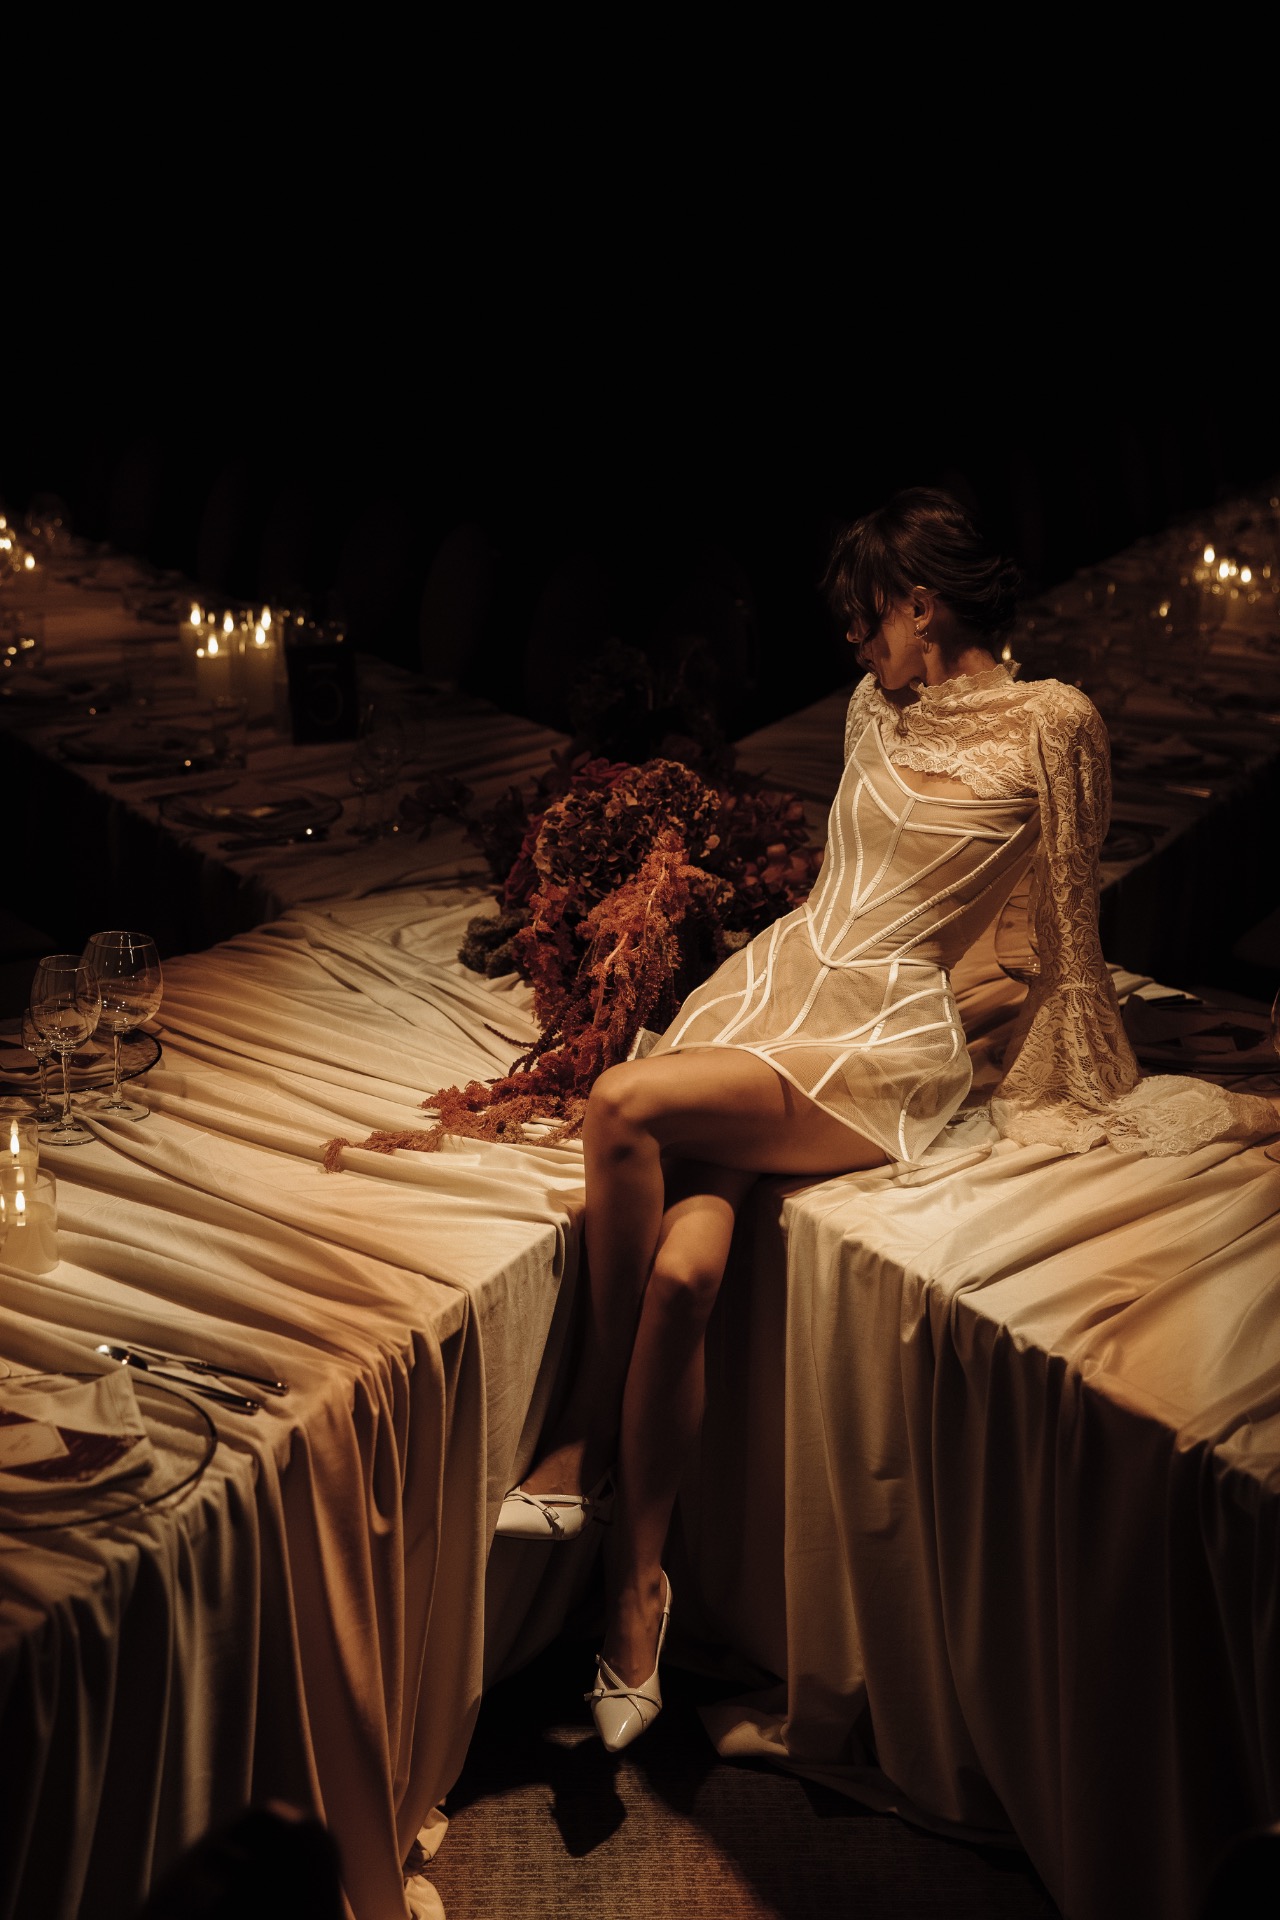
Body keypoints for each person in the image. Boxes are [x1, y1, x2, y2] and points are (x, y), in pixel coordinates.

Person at [494, 489, 1279, 1753]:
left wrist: (1045, 1072)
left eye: (865, 620)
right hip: (768, 995)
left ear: (920, 603)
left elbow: (1063, 936)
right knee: (685, 1278)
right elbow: (838, 888)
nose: (853, 646)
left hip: (880, 1049)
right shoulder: (876, 705)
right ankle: (633, 1598)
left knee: (623, 1102)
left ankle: (583, 1433)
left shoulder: (1053, 723)